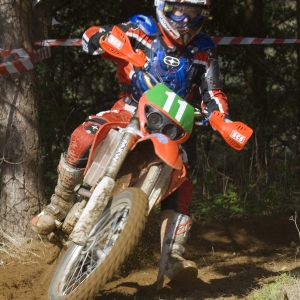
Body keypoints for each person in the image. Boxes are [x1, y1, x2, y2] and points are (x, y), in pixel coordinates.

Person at [31, 0, 229, 291]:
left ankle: (173, 255)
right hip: (129, 109)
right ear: (164, 7)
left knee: (183, 180)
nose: (185, 20)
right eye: (179, 11)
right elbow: (91, 37)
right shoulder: (142, 30)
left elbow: (214, 91)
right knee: (86, 133)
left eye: (194, 13)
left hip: (172, 126)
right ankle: (58, 205)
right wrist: (105, 39)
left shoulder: (203, 49)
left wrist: (222, 119)